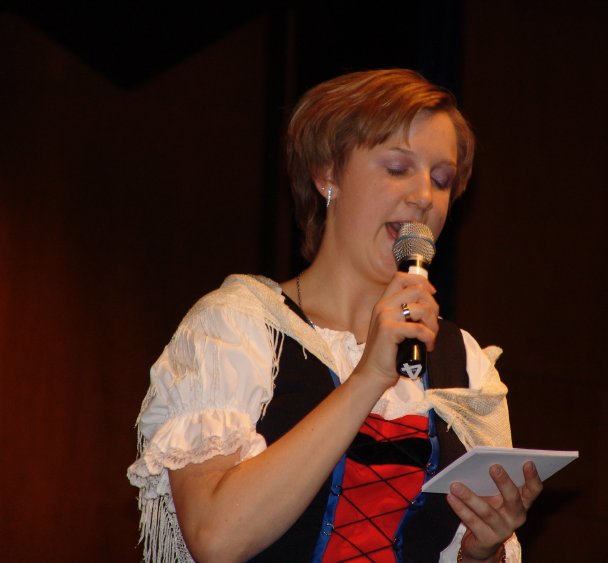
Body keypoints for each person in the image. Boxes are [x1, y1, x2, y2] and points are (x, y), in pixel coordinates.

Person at [127, 68, 542, 563]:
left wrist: (480, 551)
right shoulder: (237, 329)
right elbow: (216, 538)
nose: (423, 196)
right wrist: (368, 377)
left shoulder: (465, 363)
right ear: (327, 175)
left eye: (441, 180)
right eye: (397, 168)